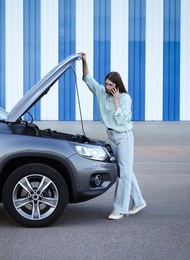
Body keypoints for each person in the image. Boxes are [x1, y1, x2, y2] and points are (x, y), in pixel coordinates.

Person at [80, 52, 146, 220]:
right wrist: (85, 62)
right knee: (124, 170)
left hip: (124, 137)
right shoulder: (101, 92)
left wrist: (116, 101)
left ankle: (119, 210)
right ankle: (138, 201)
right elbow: (88, 79)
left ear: (117, 85)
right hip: (111, 136)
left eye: (111, 85)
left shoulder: (125, 98)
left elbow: (123, 119)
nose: (108, 87)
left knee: (123, 173)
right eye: (106, 84)